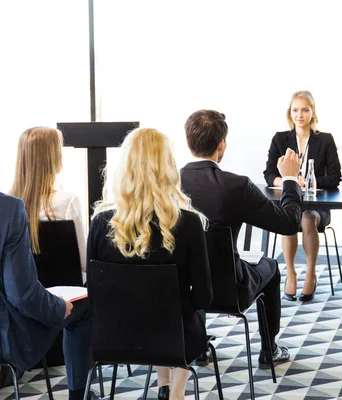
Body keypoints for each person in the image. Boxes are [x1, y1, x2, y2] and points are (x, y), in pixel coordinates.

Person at [88, 128, 212, 400]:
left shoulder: (100, 223)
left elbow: (93, 291)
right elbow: (203, 296)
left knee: (153, 305)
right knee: (178, 311)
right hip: (174, 340)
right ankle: (176, 392)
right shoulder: (188, 223)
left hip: (114, 338)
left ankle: (163, 386)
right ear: (167, 167)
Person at [180, 110, 302, 368]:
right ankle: (269, 350)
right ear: (221, 144)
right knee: (271, 266)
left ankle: (198, 346)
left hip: (181, 291)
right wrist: (290, 178)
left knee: (192, 263)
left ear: (188, 141)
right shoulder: (236, 186)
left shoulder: (167, 184)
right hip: (228, 292)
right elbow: (289, 223)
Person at [0, 192, 93, 400]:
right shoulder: (8, 209)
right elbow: (22, 295)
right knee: (85, 307)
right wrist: (59, 308)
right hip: (9, 333)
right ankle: (78, 395)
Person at [263, 90, 341, 301]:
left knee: (307, 218)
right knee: (288, 216)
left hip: (317, 207)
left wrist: (307, 182)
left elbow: (335, 177)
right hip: (291, 201)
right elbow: (269, 174)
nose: (300, 114)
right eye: (295, 110)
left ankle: (310, 273)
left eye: (305, 110)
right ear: (290, 113)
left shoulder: (324, 139)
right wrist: (288, 180)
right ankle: (290, 272)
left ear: (312, 112)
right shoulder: (280, 139)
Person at [9, 126, 87, 276]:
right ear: (53, 157)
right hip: (64, 294)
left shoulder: (7, 205)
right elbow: (83, 263)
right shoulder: (67, 202)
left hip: (16, 296)